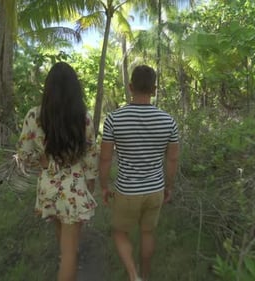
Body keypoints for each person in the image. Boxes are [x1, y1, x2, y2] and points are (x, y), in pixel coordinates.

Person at [16, 62, 97, 281]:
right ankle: (68, 267)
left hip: (48, 186)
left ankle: (66, 264)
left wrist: (43, 162)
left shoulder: (34, 115)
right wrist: (91, 186)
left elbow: (23, 156)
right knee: (71, 252)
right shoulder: (84, 117)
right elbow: (90, 157)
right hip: (74, 186)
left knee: (64, 242)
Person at [99, 65, 180, 281]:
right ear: (154, 89)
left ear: (130, 87)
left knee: (119, 232)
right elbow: (172, 159)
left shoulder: (114, 119)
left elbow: (106, 158)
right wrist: (168, 187)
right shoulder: (168, 121)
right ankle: (144, 275)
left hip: (127, 190)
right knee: (147, 233)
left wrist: (104, 186)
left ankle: (134, 276)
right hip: (155, 190)